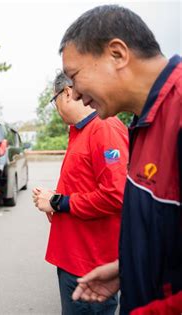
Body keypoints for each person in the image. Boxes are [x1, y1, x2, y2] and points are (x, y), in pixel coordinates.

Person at [58, 5, 182, 314]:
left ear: (117, 54)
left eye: (75, 77)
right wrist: (127, 269)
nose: (77, 94)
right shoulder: (143, 123)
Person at [32, 72, 128, 314]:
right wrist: (56, 197)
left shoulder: (104, 128)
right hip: (73, 257)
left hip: (90, 263)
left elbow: (117, 194)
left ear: (66, 92)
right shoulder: (79, 131)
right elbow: (87, 185)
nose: (55, 109)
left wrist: (58, 202)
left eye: (54, 101)